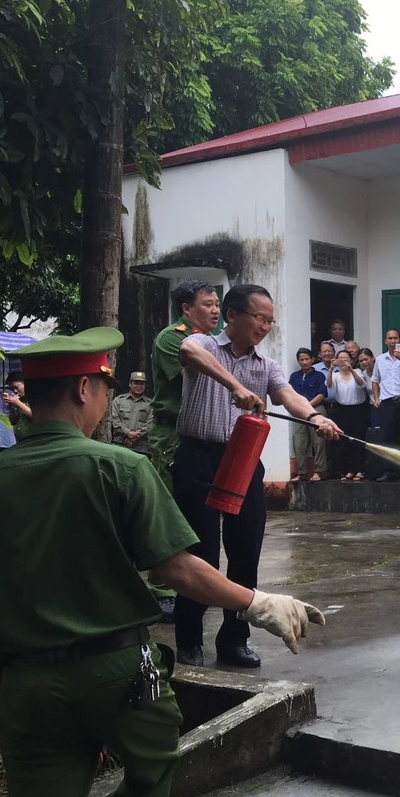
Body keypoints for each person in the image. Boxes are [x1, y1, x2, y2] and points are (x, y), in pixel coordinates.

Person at [0, 326, 323, 797]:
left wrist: (36, 631)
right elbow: (179, 568)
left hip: (29, 684)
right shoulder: (119, 467)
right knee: (149, 776)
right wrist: (257, 600)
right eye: (103, 390)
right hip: (121, 677)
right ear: (85, 391)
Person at [173, 284, 340, 669]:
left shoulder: (266, 365)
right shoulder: (204, 345)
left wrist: (315, 418)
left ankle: (234, 640)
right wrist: (234, 385)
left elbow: (288, 397)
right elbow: (188, 352)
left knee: (245, 553)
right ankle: (188, 640)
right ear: (232, 316)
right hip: (198, 458)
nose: (265, 326)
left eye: (270, 321)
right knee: (200, 554)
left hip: (243, 460)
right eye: (259, 318)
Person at [150, 280, 221, 491]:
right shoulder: (173, 338)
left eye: (217, 304)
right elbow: (199, 380)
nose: (215, 310)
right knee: (172, 501)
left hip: (202, 437)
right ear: (186, 308)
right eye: (208, 305)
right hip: (172, 435)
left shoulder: (212, 341)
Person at [373, 328, 400, 477]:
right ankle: (389, 471)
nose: (393, 341)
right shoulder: (380, 359)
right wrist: (377, 398)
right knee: (388, 437)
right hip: (387, 402)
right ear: (385, 341)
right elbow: (375, 380)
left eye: (396, 338)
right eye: (390, 338)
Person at [325, 349, 371, 482]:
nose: (344, 362)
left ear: (351, 360)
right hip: (342, 410)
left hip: (358, 410)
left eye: (346, 359)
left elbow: (361, 384)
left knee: (358, 440)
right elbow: (329, 386)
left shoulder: (357, 372)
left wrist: (351, 370)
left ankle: (360, 470)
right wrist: (330, 370)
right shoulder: (336, 375)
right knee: (345, 441)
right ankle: (349, 470)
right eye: (341, 359)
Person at [287, 348, 328, 482]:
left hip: (316, 409)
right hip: (299, 413)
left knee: (318, 441)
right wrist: (300, 408)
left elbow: (321, 394)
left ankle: (319, 471)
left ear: (312, 359)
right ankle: (302, 472)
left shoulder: (319, 376)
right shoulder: (294, 376)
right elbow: (290, 394)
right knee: (299, 441)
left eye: (307, 359)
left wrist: (307, 406)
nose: (304, 362)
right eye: (301, 359)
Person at [110, 371, 154, 453]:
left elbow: (150, 423)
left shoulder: (150, 404)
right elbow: (115, 419)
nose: (139, 386)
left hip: (140, 446)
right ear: (130, 384)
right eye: (136, 383)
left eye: (142, 384)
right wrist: (127, 433)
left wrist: (135, 436)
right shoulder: (119, 400)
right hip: (120, 443)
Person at [0, 371, 34, 441]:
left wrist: (18, 403)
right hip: (20, 440)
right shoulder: (20, 399)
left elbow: (35, 416)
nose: (15, 391)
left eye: (16, 387)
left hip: (32, 440)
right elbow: (13, 421)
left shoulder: (35, 398)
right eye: (12, 389)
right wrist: (13, 408)